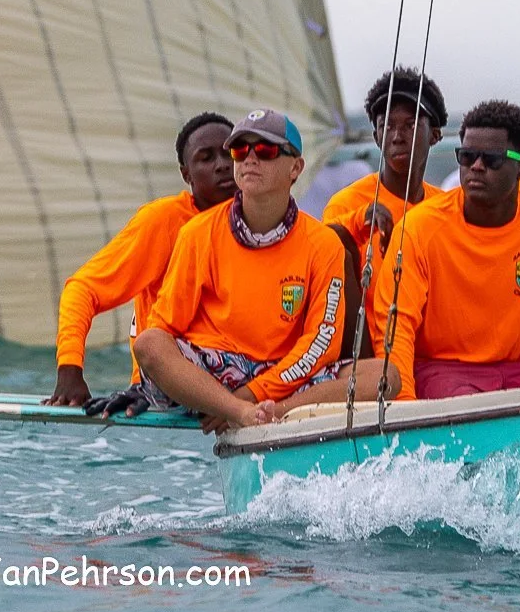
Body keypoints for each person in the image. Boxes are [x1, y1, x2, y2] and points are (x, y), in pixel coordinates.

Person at [129, 109, 348, 431]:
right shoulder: (197, 233)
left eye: (266, 150)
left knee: (382, 376)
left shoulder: (324, 243)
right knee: (149, 343)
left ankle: (271, 413)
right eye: (240, 150)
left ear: (296, 168)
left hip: (282, 375)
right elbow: (164, 327)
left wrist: (252, 394)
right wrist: (232, 403)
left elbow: (322, 342)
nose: (250, 159)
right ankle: (241, 413)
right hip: (214, 370)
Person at [371, 100, 520, 400]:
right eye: (467, 156)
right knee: (469, 406)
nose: (476, 166)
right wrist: (405, 405)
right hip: (439, 369)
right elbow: (396, 325)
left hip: (514, 369)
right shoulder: (420, 227)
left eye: (492, 159)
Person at [45, 112, 236, 408]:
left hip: (241, 384)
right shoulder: (163, 222)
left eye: (229, 154)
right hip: (164, 393)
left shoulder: (266, 225)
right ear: (186, 174)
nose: (222, 165)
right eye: (206, 158)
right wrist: (70, 367)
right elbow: (83, 289)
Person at [322, 67, 447, 356]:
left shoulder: (445, 208)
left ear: (435, 134)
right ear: (377, 137)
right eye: (387, 126)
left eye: (410, 124)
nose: (397, 136)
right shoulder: (347, 205)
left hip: (436, 355)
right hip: (371, 358)